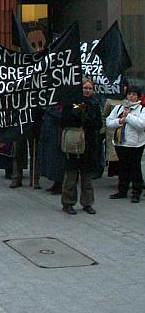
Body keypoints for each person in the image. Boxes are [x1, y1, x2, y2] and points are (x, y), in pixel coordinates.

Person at [60, 79, 103, 214]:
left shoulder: (95, 104)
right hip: (74, 143)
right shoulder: (71, 102)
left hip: (89, 144)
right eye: (85, 88)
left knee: (87, 176)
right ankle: (68, 203)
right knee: (71, 175)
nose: (87, 90)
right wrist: (76, 114)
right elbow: (63, 121)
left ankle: (87, 203)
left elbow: (98, 124)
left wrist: (87, 117)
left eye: (90, 88)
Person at [107, 86, 145, 203]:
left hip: (135, 144)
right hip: (120, 143)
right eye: (129, 94)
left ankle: (136, 192)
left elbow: (141, 125)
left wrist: (128, 116)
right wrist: (119, 121)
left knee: (135, 168)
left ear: (138, 97)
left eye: (134, 94)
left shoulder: (141, 109)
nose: (131, 97)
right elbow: (109, 122)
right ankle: (122, 190)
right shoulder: (119, 108)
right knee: (122, 168)